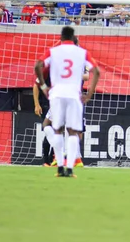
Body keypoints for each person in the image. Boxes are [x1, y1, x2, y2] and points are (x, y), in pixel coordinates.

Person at [35, 26, 101, 178]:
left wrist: (44, 86)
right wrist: (89, 94)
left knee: (56, 129)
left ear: (61, 37)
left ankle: (59, 168)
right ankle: (70, 169)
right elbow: (96, 71)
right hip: (74, 95)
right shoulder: (82, 53)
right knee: (73, 131)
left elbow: (38, 65)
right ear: (73, 37)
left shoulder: (53, 51)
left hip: (57, 94)